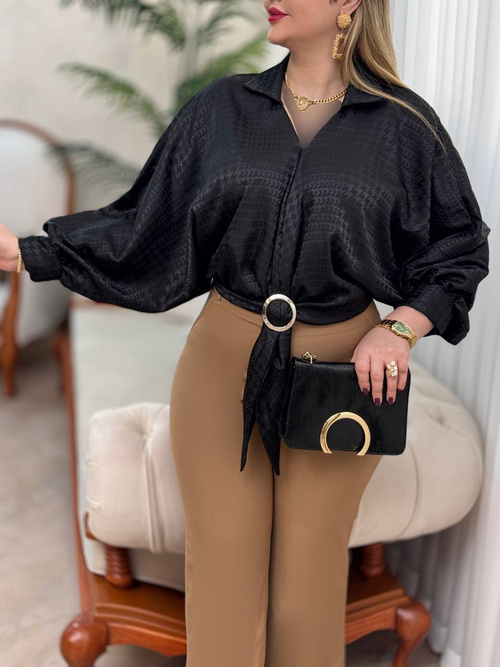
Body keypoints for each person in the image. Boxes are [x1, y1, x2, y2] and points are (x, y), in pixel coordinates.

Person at [0, 0, 491, 665]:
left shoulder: (405, 128)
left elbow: (459, 247)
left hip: (343, 367)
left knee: (307, 584)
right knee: (222, 575)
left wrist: (399, 328)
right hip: (222, 353)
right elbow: (145, 224)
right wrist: (28, 253)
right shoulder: (221, 109)